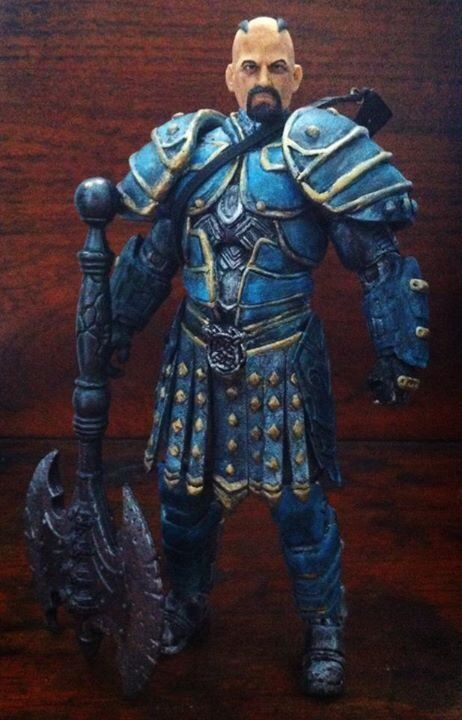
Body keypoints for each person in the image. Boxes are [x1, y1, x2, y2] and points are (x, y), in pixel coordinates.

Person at [109, 16, 429, 696]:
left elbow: (376, 258)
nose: (263, 80)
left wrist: (399, 349)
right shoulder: (190, 150)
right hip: (196, 357)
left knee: (298, 509)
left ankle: (323, 629)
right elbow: (156, 256)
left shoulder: (319, 149)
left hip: (281, 361)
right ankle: (187, 604)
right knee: (182, 501)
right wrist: (113, 327)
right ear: (230, 76)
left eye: (276, 67)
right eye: (250, 67)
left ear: (297, 77)